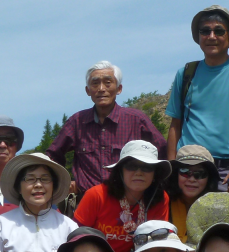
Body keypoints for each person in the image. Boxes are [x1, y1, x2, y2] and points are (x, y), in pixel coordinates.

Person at [165, 5, 229, 246]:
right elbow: (175, 124)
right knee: (184, 243)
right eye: (205, 31)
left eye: (219, 31)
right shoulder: (186, 73)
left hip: (228, 172)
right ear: (198, 37)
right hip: (188, 170)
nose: (211, 36)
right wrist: (172, 169)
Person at [46, 61, 168, 208]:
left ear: (119, 88)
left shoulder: (136, 120)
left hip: (130, 205)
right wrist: (64, 182)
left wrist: (151, 184)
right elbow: (52, 156)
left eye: (108, 82)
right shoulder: (77, 122)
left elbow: (162, 152)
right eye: (95, 83)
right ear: (88, 90)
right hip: (87, 205)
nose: (101, 89)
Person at [74, 140, 171, 252]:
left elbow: (157, 243)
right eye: (131, 166)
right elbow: (76, 240)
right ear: (120, 171)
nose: (139, 172)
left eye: (147, 167)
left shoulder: (160, 199)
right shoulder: (96, 195)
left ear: (155, 173)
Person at [166, 145, 217, 245]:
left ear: (209, 178)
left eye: (200, 174)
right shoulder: (163, 203)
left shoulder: (218, 208)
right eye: (185, 172)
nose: (192, 179)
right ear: (176, 174)